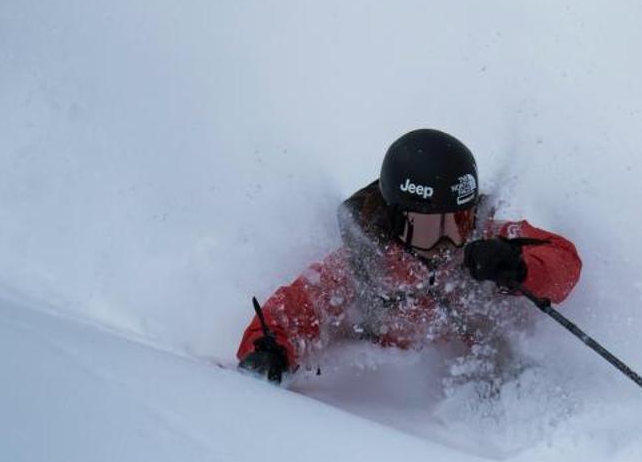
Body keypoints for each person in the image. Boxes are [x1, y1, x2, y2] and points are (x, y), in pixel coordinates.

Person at [236, 128, 581, 381]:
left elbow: (562, 260)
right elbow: (295, 308)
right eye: (429, 229)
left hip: (479, 380)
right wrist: (269, 351)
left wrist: (518, 267)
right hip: (391, 403)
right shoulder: (363, 263)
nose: (447, 243)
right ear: (395, 220)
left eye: (458, 223)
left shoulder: (486, 245)